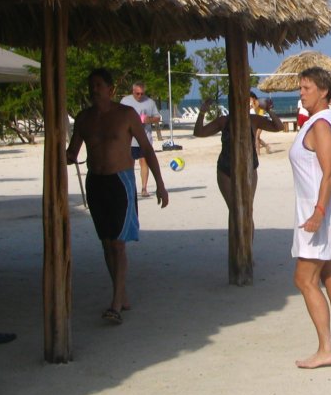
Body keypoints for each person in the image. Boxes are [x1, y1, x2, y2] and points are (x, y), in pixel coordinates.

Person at [66, 68, 169, 325]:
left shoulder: (126, 115)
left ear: (110, 89)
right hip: (95, 182)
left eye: (99, 85)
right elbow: (72, 153)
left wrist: (160, 184)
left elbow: (147, 149)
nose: (94, 89)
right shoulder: (84, 118)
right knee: (105, 242)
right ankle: (120, 294)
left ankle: (115, 302)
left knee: (118, 244)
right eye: (91, 85)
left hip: (119, 181)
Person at [289, 67, 331, 369]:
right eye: (301, 88)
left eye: (306, 88)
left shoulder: (319, 124)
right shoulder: (329, 121)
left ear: (324, 92)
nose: (301, 93)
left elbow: (329, 171)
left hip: (324, 211)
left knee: (305, 279)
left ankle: (325, 348)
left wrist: (318, 212)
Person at [194, 93, 284, 244]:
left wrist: (268, 110)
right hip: (226, 168)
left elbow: (278, 127)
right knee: (235, 210)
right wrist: (202, 112)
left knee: (247, 210)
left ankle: (247, 249)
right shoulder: (224, 121)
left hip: (250, 168)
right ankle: (236, 248)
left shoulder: (253, 120)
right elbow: (199, 132)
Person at [120, 81, 162, 197]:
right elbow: (120, 117)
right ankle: (130, 187)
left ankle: (144, 188)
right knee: (129, 163)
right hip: (129, 139)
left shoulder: (150, 102)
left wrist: (150, 120)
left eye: (142, 93)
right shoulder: (125, 101)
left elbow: (157, 117)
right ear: (133, 91)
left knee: (144, 162)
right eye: (137, 93)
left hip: (145, 138)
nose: (139, 96)